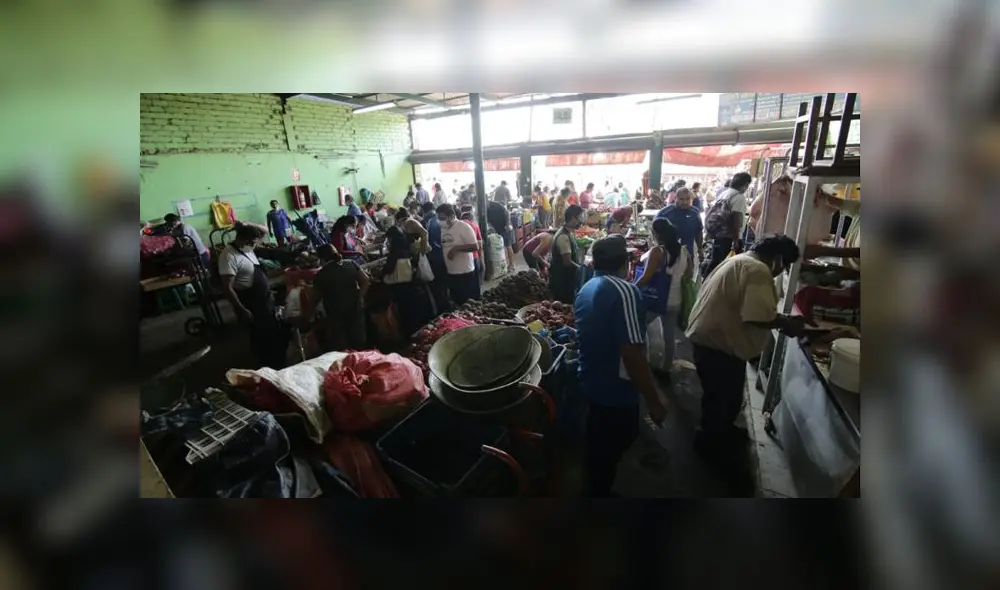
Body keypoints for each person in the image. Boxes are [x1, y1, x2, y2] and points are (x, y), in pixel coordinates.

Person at [685, 235, 811, 463]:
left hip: (713, 338)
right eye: (784, 266)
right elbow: (756, 317)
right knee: (720, 399)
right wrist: (786, 323)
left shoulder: (742, 259)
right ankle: (710, 446)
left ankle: (722, 432)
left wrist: (780, 319)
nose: (780, 271)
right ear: (778, 259)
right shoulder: (757, 270)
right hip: (718, 343)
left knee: (726, 397)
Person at [574, 235, 668, 497]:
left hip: (591, 381)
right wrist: (654, 401)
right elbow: (632, 353)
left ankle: (593, 487)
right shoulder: (625, 290)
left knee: (597, 447)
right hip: (614, 391)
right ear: (626, 263)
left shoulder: (587, 286)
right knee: (618, 440)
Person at [218, 222, 288, 369]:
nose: (254, 246)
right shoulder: (228, 256)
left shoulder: (248, 248)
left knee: (273, 333)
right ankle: (265, 368)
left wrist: (245, 224)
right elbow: (227, 288)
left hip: (265, 300)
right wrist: (241, 309)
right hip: (251, 303)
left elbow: (265, 230)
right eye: (252, 242)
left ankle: (278, 363)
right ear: (243, 239)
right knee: (260, 338)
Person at [634, 218, 691, 373]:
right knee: (669, 335)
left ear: (656, 234)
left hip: (656, 299)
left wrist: (632, 289)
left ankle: (642, 363)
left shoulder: (657, 252)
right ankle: (666, 369)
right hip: (675, 300)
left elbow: (645, 278)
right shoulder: (684, 251)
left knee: (640, 328)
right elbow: (688, 275)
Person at [382, 209, 433, 335]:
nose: (387, 243)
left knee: (408, 314)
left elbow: (395, 273)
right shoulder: (404, 251)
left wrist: (382, 276)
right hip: (409, 287)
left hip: (404, 290)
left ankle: (410, 334)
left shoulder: (398, 255)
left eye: (388, 240)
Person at [313, 244, 370, 351]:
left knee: (343, 347)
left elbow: (315, 298)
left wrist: (308, 315)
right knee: (359, 343)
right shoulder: (351, 264)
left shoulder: (321, 275)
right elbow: (365, 280)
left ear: (321, 259)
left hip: (336, 315)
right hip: (355, 309)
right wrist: (360, 297)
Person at [701, 172, 752, 278]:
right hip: (729, 238)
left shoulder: (725, 193)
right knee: (727, 267)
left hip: (719, 235)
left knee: (715, 262)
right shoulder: (739, 197)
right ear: (746, 185)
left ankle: (706, 285)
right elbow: (736, 219)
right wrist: (736, 239)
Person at [438, 204, 481, 305]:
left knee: (468, 302)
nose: (441, 221)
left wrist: (456, 249)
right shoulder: (444, 229)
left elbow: (475, 246)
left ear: (452, 216)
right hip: (451, 272)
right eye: (439, 218)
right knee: (457, 301)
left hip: (465, 272)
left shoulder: (463, 227)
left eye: (443, 218)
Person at [655, 187, 704, 263]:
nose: (685, 202)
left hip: (688, 255)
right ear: (675, 198)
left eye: (687, 199)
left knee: (687, 274)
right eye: (681, 199)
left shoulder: (695, 213)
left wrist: (700, 249)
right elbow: (655, 232)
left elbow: (698, 232)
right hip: (668, 257)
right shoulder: (664, 213)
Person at [548, 205, 585, 304]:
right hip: (562, 281)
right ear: (573, 218)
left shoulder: (567, 233)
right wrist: (582, 269)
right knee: (563, 307)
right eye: (580, 218)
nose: (581, 221)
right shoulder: (563, 236)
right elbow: (567, 262)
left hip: (565, 280)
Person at [421, 201, 450, 312]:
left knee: (439, 286)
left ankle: (442, 308)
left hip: (436, 259)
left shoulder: (430, 222)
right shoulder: (437, 222)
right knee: (443, 286)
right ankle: (446, 307)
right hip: (441, 258)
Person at [486, 195, 515, 271]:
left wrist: (508, 224)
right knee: (500, 247)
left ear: (487, 199)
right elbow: (488, 221)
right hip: (496, 229)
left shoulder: (496, 204)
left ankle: (511, 265)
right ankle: (503, 266)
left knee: (508, 246)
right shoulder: (483, 208)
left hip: (505, 227)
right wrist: (492, 229)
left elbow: (507, 212)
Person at [459, 208, 485, 283]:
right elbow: (480, 243)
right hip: (474, 256)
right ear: (471, 219)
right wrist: (481, 259)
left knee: (465, 280)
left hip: (460, 258)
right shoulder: (475, 226)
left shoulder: (456, 226)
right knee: (476, 279)